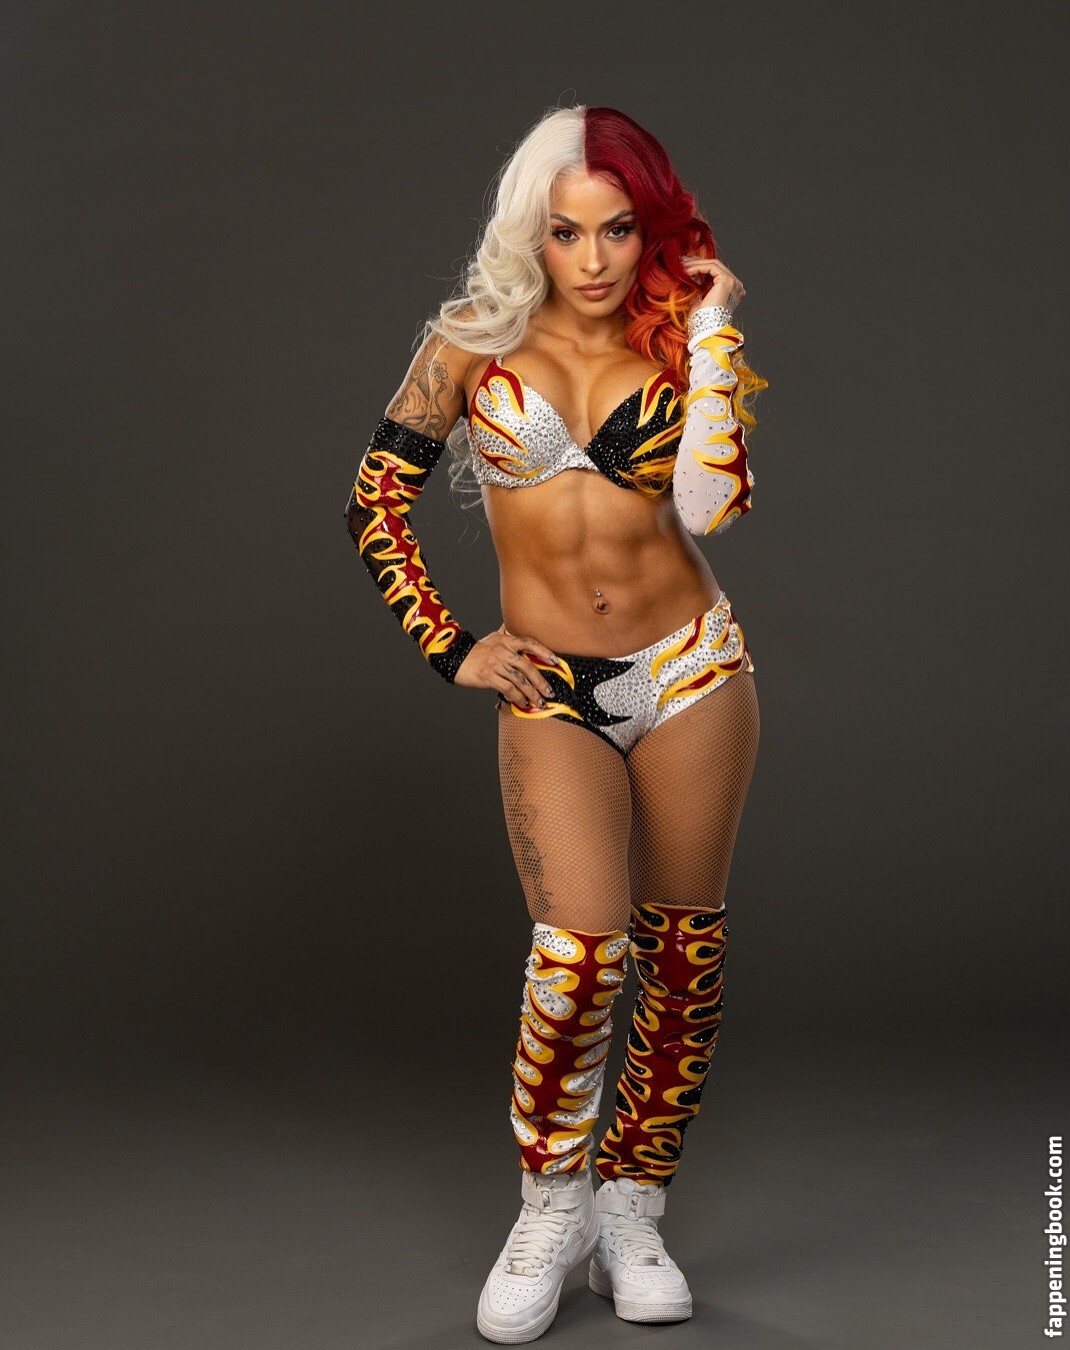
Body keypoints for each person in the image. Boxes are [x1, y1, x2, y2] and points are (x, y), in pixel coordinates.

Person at [344, 103, 768, 1344]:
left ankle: (634, 1209)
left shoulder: (679, 336)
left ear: (652, 228)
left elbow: (712, 506)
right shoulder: (469, 343)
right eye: (565, 231)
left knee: (682, 958)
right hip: (552, 689)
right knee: (578, 958)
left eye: (618, 229)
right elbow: (375, 497)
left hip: (690, 672)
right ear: (529, 231)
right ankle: (552, 1205)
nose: (593, 259)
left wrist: (715, 329)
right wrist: (452, 645)